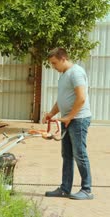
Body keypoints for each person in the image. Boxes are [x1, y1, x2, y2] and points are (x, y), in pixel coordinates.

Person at [43, 47, 93, 200]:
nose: (53, 67)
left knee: (80, 154)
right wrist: (52, 113)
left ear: (63, 58)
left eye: (54, 63)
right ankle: (65, 189)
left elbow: (81, 98)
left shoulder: (76, 72)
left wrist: (70, 116)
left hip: (78, 119)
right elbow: (62, 99)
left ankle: (87, 190)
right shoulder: (64, 75)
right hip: (68, 119)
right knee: (67, 155)